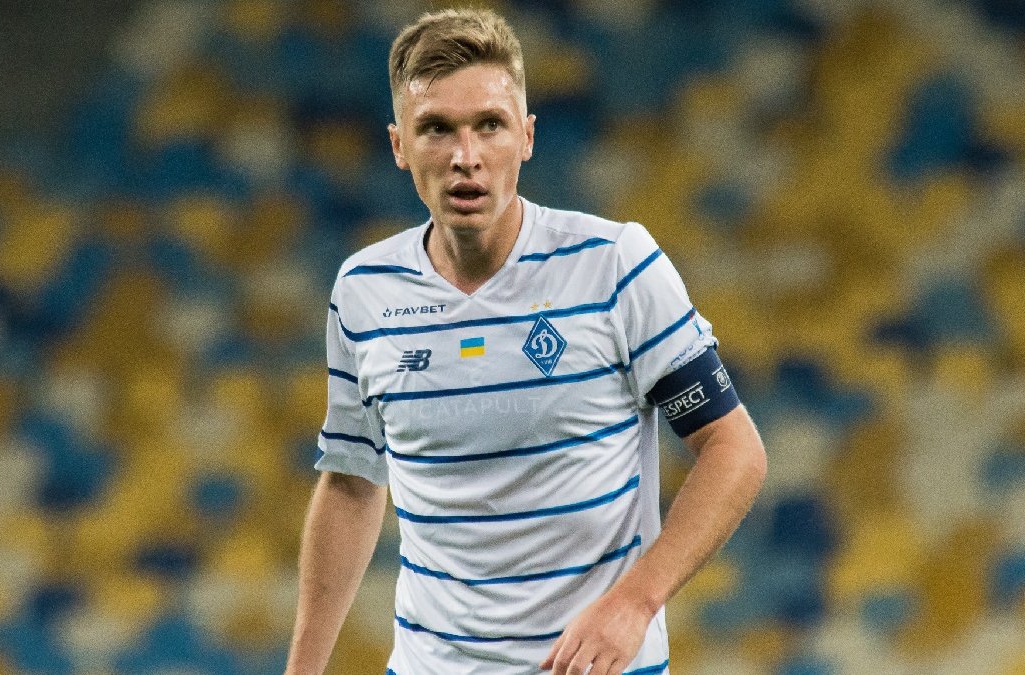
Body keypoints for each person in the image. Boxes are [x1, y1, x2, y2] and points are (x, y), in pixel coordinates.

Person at [285, 8, 767, 675]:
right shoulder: (364, 290)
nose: (466, 156)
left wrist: (635, 603)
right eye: (436, 128)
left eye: (489, 124)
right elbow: (351, 483)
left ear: (527, 136)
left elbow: (733, 448)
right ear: (399, 145)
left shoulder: (615, 266)